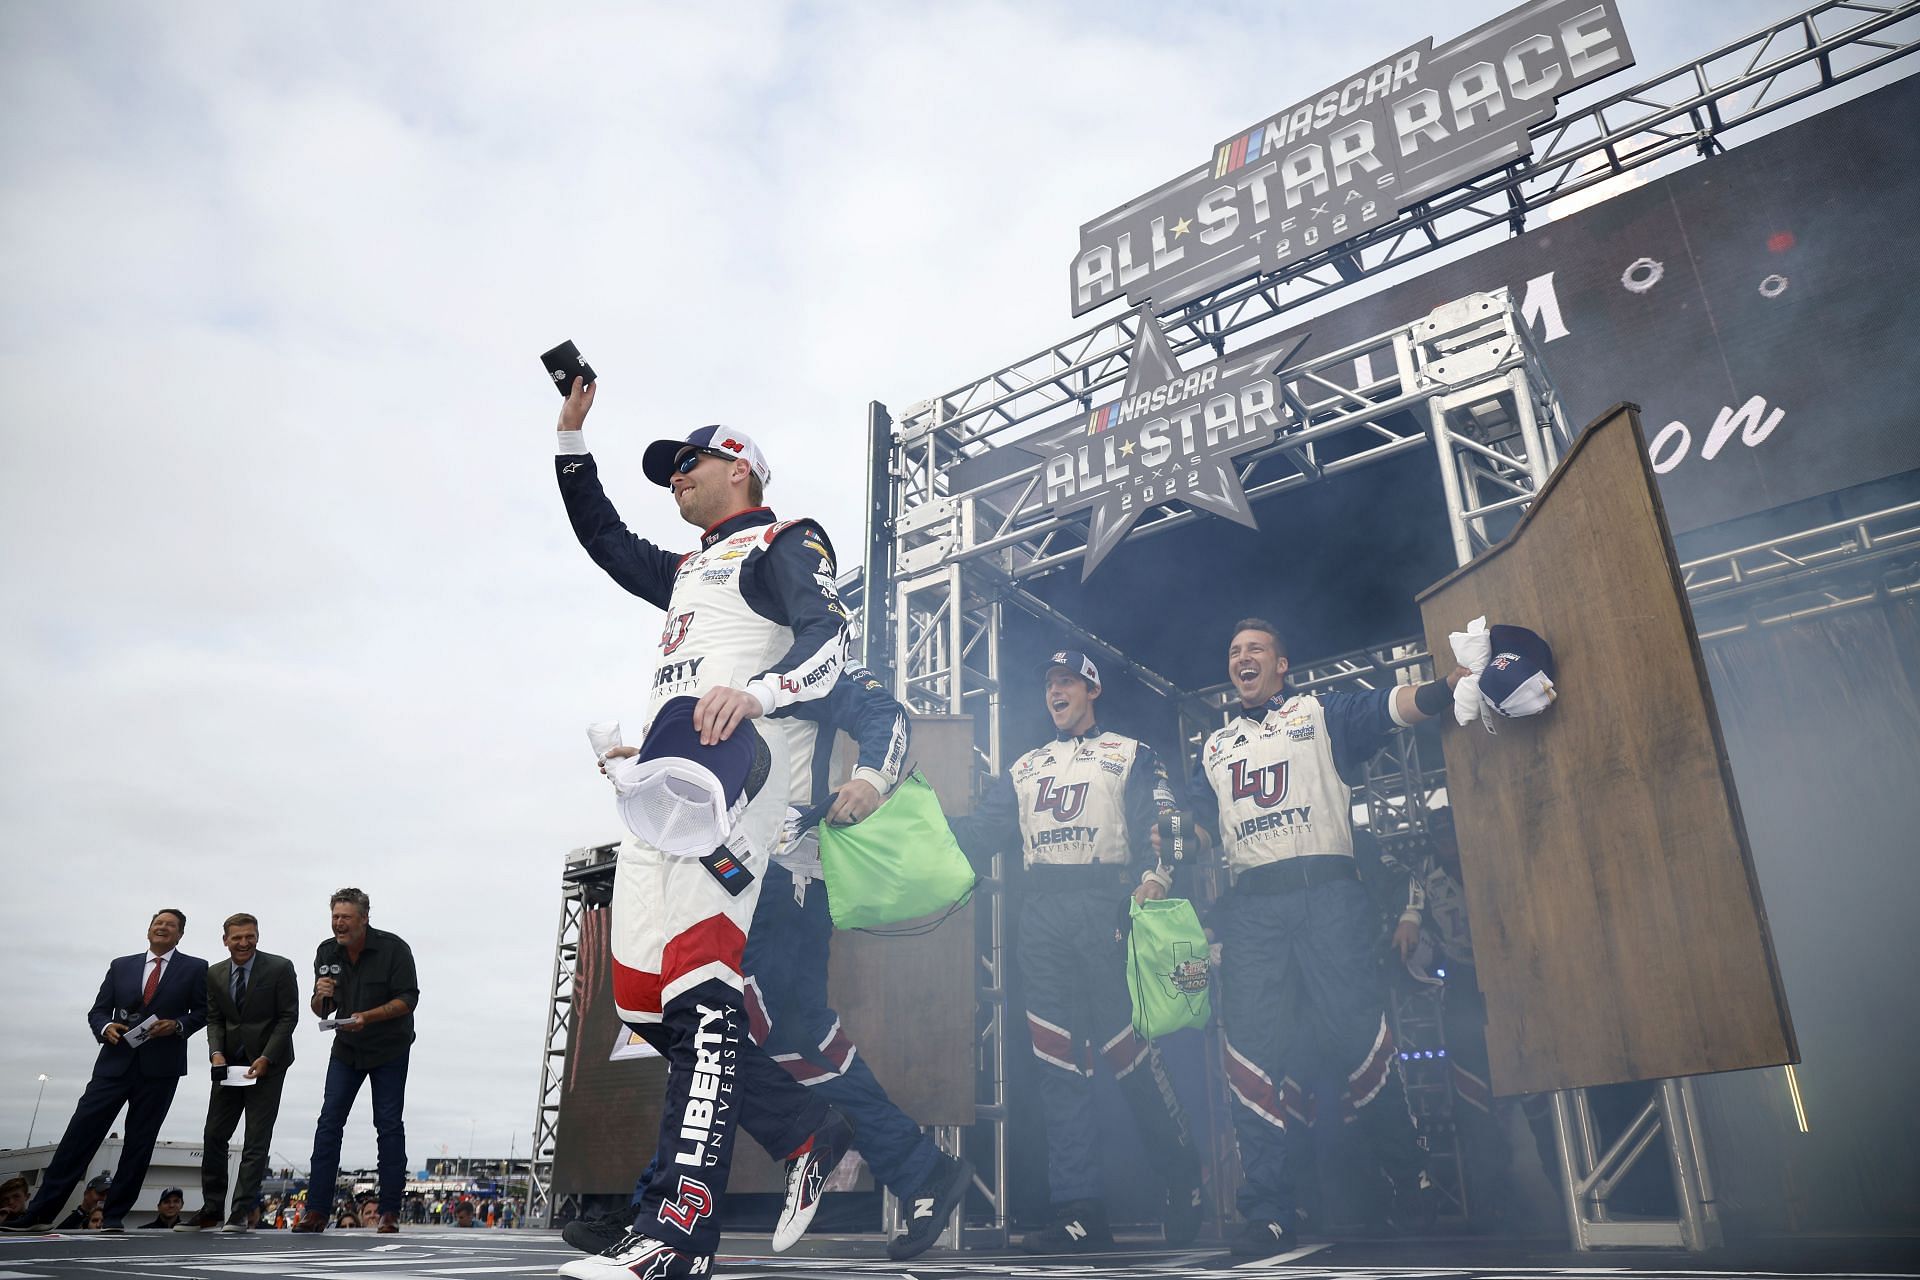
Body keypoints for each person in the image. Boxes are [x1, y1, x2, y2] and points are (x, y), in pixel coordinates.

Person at [551, 378, 854, 1280]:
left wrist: (756, 692)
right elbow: (604, 540)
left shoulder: (783, 542)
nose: (675, 478)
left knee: (704, 997)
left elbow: (833, 640)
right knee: (647, 1001)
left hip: (737, 797)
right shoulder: (687, 569)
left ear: (740, 469)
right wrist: (571, 440)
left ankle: (679, 1233)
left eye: (688, 463)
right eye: (670, 469)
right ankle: (805, 1129)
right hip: (660, 794)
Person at [571, 666, 973, 1264]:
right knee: (762, 1037)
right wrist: (649, 765)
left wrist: (870, 778)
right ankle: (919, 1170)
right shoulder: (717, 665)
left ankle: (656, 1209)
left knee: (727, 1031)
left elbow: (886, 716)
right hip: (725, 875)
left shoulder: (804, 662)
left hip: (785, 879)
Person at [1183, 618, 1465, 1256]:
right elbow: (1197, 825)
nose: (1242, 657)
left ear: (1282, 664)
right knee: (1250, 1049)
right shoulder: (1215, 745)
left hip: (1327, 895)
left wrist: (1445, 688)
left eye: (1255, 648)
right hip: (1253, 905)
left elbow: (1388, 707)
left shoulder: (1318, 712)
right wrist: (1173, 842)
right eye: (1233, 651)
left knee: (1356, 1037)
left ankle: (1408, 1174)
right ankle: (1271, 1208)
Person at [948, 649, 1203, 1254]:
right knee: (1056, 1062)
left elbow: (1164, 823)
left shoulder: (1129, 752)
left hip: (1107, 904)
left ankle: (1181, 1176)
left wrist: (1157, 879)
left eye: (1066, 681)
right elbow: (977, 834)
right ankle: (1080, 1206)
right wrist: (906, 825)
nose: (1055, 691)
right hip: (1040, 915)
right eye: (1049, 683)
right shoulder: (1024, 766)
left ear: (1092, 688)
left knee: (1129, 1055)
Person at [2, 910, 208, 1234]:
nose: (163, 928)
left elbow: (204, 1011)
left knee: (139, 1144)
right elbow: (98, 1011)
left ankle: (114, 1217)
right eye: (158, 923)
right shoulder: (121, 965)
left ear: (180, 934)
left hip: (160, 1069)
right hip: (114, 1064)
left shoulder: (196, 968)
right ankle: (40, 1213)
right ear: (149, 930)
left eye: (171, 925)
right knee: (79, 1136)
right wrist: (105, 1027)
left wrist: (179, 1025)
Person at [291, 889, 418, 1235]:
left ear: (364, 918)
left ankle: (390, 1211)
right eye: (335, 916)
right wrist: (320, 995)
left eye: (346, 917)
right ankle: (316, 1211)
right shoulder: (326, 952)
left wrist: (369, 1017)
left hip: (389, 1048)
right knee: (328, 1122)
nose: (339, 923)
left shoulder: (394, 949)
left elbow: (408, 999)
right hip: (346, 1047)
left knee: (388, 1124)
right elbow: (321, 1010)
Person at [181, 913, 299, 1233]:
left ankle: (240, 1211)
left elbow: (288, 1018)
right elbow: (215, 1018)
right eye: (237, 938)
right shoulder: (215, 974)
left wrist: (266, 1057)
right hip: (229, 1065)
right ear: (225, 940)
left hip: (268, 1065)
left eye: (250, 936)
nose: (244, 942)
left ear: (258, 936)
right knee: (214, 1134)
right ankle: (211, 1208)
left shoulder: (280, 967)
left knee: (255, 1140)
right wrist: (215, 1052)